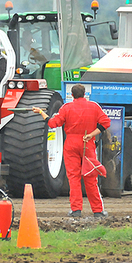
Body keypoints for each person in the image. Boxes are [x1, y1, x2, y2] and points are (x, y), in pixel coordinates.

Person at [32, 84, 111, 218]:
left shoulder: (66, 108)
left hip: (71, 144)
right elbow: (105, 123)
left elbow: (52, 123)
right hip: (88, 143)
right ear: (84, 94)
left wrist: (41, 112)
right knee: (91, 179)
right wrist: (92, 134)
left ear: (72, 95)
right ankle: (98, 211)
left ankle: (76, 210)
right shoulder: (94, 107)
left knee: (73, 178)